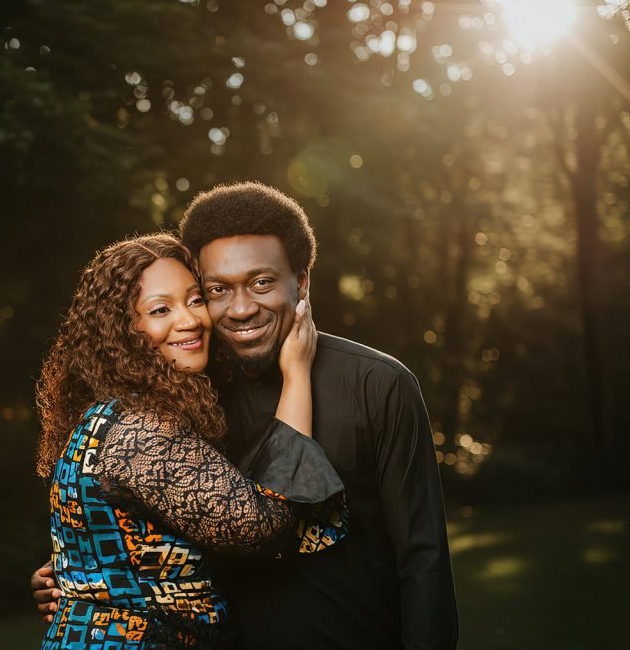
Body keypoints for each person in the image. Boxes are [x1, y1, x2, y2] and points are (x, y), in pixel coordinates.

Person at [34, 183, 459, 649]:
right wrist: (80, 576)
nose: (240, 309)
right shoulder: (185, 391)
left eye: (262, 282)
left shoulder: (378, 384)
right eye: (217, 290)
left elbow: (424, 558)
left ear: (302, 280)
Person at [35, 233, 346, 649]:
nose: (190, 320)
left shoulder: (109, 416)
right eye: (161, 309)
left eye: (195, 299)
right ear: (121, 330)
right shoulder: (142, 432)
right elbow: (265, 526)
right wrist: (296, 374)